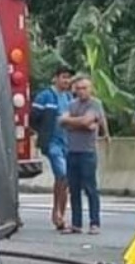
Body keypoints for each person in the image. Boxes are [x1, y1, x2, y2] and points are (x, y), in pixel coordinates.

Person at [59, 76, 109, 234]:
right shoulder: (71, 104)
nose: (81, 91)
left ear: (91, 88)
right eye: (78, 88)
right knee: (73, 189)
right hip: (72, 151)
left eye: (84, 88)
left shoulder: (95, 104)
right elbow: (62, 121)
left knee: (90, 188)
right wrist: (80, 123)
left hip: (87, 152)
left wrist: (73, 123)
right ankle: (76, 224)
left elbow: (89, 121)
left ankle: (95, 223)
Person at [31, 66, 75, 230]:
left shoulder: (70, 97)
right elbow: (33, 117)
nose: (66, 81)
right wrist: (42, 132)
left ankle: (59, 212)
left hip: (67, 142)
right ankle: (58, 214)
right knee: (62, 174)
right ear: (55, 78)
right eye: (64, 77)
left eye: (68, 78)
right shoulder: (45, 97)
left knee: (64, 179)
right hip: (52, 142)